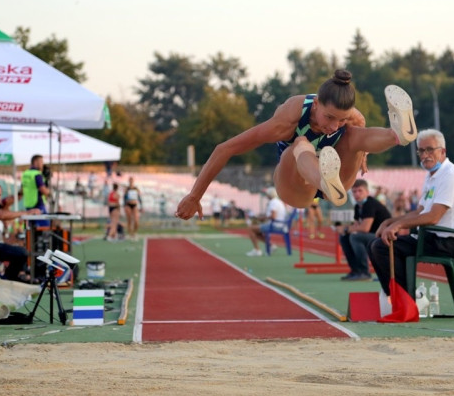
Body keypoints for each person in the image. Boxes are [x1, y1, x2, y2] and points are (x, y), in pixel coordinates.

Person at [175, 69, 417, 219]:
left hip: (339, 184)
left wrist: (362, 155)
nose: (334, 126)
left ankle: (397, 134)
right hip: (297, 188)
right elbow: (225, 148)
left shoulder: (351, 118)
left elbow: (358, 124)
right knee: (300, 142)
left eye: (341, 119)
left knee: (352, 134)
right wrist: (195, 196)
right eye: (329, 118)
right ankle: (323, 179)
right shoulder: (287, 119)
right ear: (316, 104)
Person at [367, 129, 454, 313]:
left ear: (443, 151)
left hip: (444, 242)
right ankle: (401, 299)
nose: (425, 155)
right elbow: (420, 211)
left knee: (381, 247)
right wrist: (390, 222)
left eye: (430, 149)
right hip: (430, 237)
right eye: (421, 150)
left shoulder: (449, 176)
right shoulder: (432, 176)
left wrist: (398, 225)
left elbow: (433, 217)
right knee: (375, 244)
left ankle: (408, 300)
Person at [339, 179, 391, 281]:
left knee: (355, 237)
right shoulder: (357, 206)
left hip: (386, 237)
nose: (357, 194)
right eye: (354, 191)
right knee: (344, 237)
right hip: (374, 235)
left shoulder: (370, 204)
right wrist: (346, 230)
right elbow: (356, 225)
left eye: (360, 191)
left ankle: (364, 272)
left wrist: (345, 228)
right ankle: (355, 271)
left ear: (367, 192)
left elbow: (364, 228)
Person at [0, 182, 41, 283]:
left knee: (22, 250)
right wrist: (26, 213)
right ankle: (11, 279)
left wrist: (20, 193)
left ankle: (12, 278)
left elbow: (8, 201)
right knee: (21, 252)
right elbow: (1, 215)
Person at [246, 187, 287, 257]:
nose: (266, 195)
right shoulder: (277, 201)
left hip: (275, 225)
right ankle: (270, 245)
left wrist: (261, 218)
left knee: (250, 228)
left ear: (269, 195)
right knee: (256, 231)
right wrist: (261, 218)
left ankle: (257, 250)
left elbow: (273, 216)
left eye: (267, 194)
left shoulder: (273, 203)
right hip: (279, 224)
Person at [19, 154, 50, 227]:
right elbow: (43, 190)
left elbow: (21, 190)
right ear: (35, 162)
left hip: (28, 204)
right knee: (45, 227)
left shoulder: (25, 173)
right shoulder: (37, 174)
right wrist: (49, 191)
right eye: (41, 162)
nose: (42, 164)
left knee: (31, 228)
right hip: (38, 204)